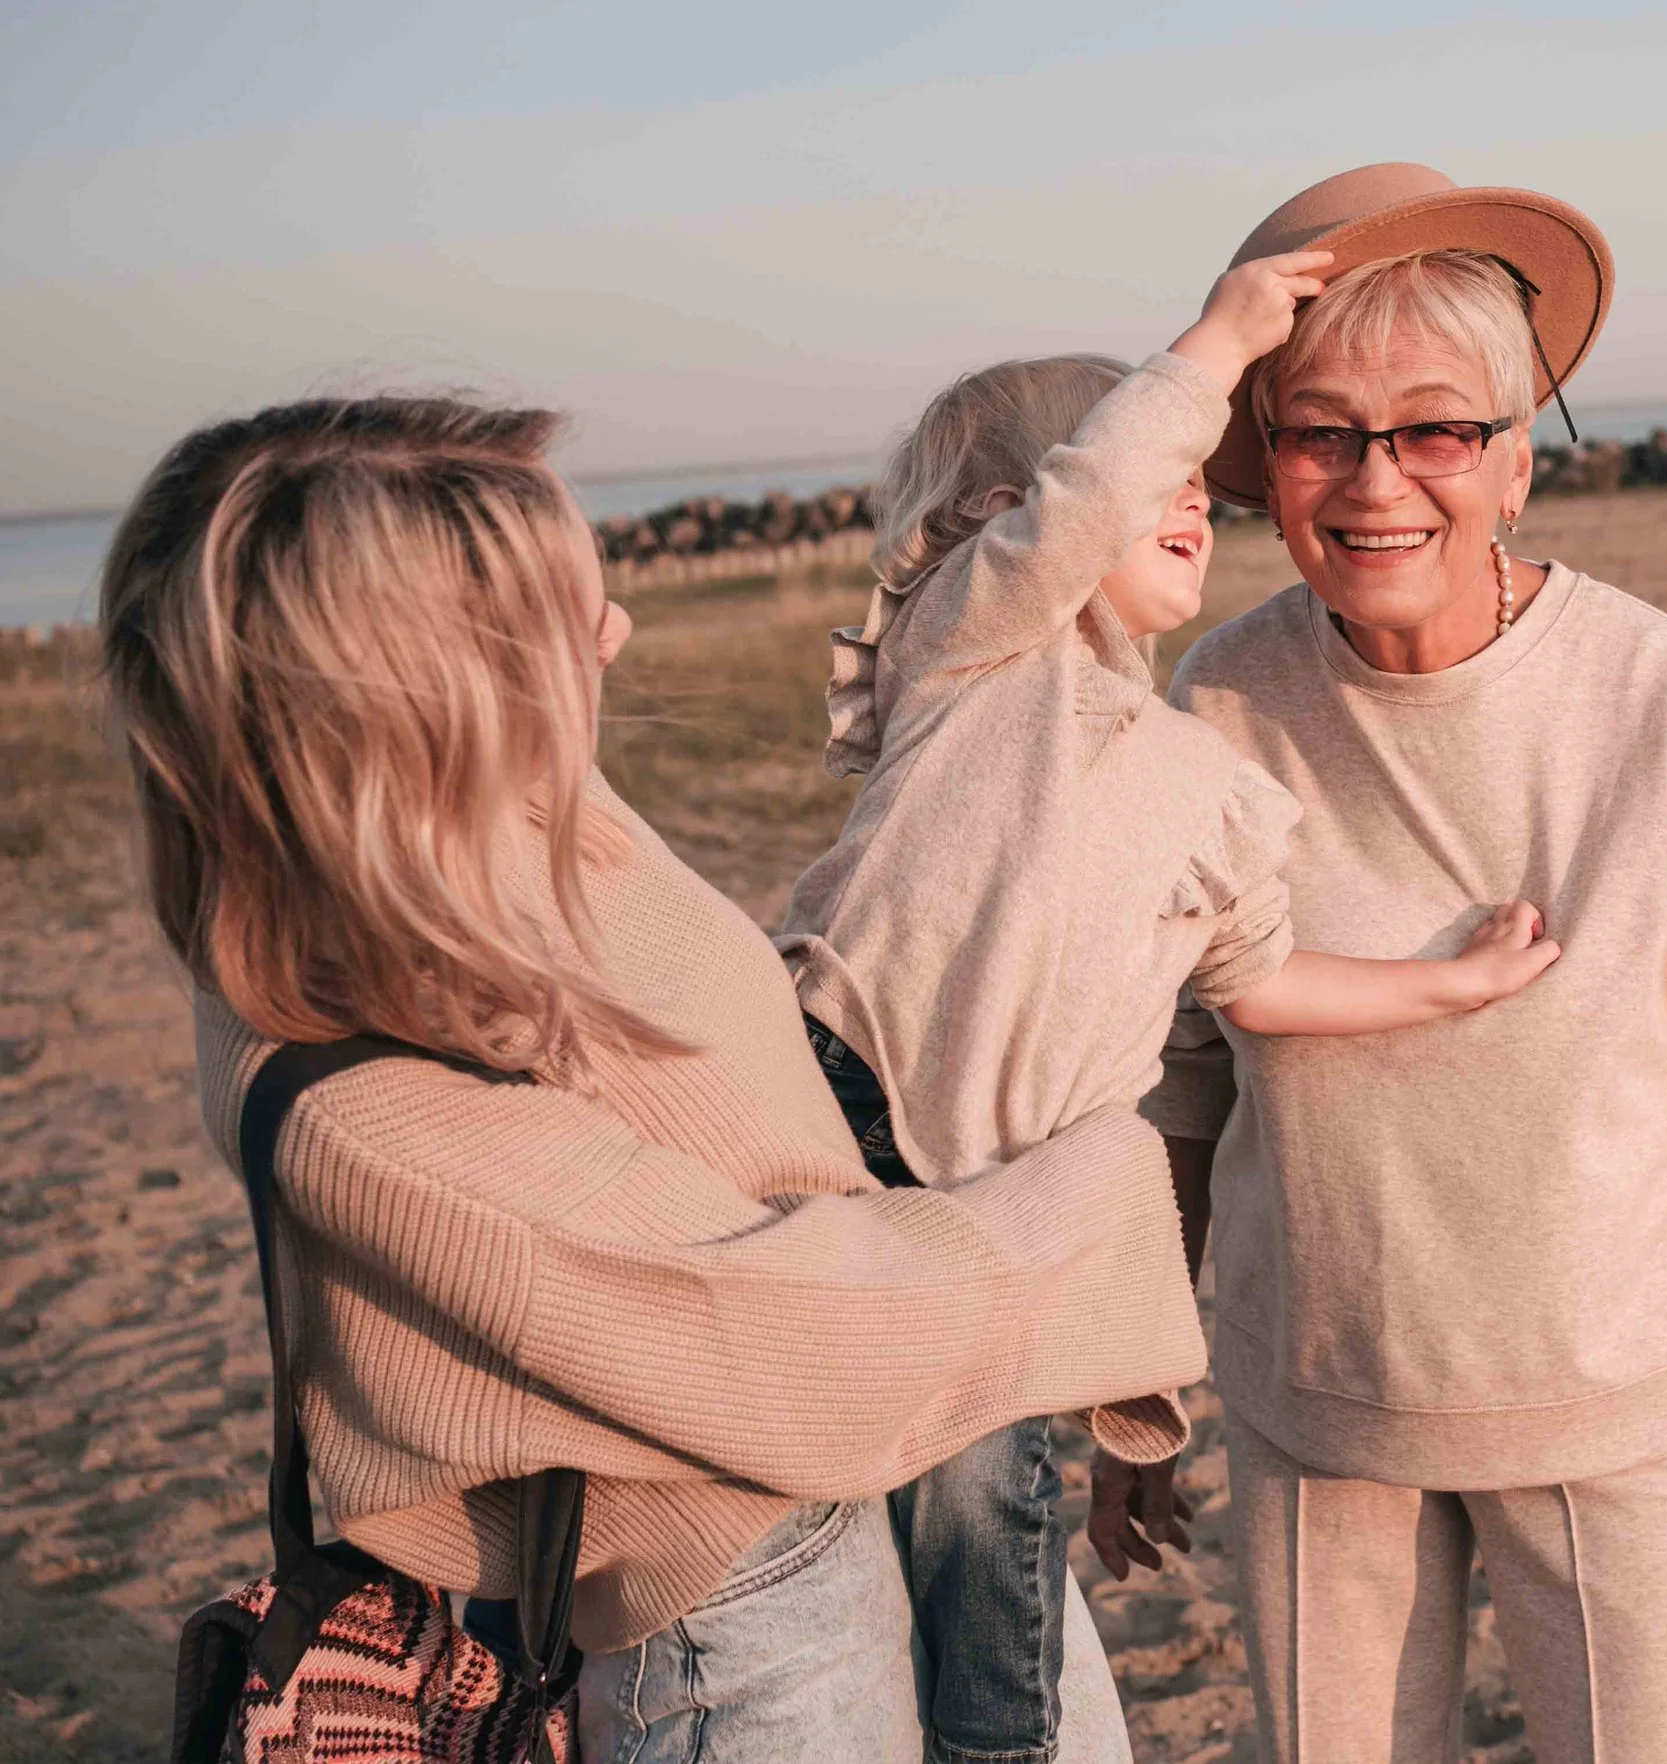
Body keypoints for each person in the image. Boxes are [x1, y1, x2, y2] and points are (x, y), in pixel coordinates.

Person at [96, 396, 1209, 1763]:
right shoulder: (363, 1096)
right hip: (734, 1626)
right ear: (420, 682)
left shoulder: (488, 833)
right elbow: (797, 1340)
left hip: (838, 1511)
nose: (617, 632)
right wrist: (1102, 1181)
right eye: (573, 613)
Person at [1100, 164, 1667, 1762]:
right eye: (1323, 431)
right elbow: (1171, 1076)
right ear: (1267, 465)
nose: (1378, 482)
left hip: (1616, 1418)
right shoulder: (1218, 700)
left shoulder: (1666, 699)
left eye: (1437, 428)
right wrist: (1133, 1380)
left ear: (1516, 460)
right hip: (1314, 1412)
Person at [777, 253, 1562, 1764]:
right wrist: (1216, 341)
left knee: (986, 1553)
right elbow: (1083, 504)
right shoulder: (982, 660)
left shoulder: (1205, 781)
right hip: (836, 1108)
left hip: (995, 1211)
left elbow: (1263, 982)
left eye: (1209, 483)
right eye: (1162, 475)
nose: (1194, 496)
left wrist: (1447, 981)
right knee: (839, 1527)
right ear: (1021, 520)